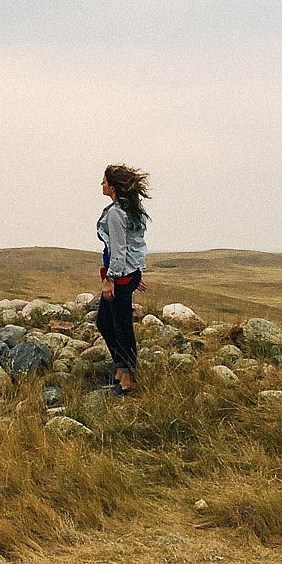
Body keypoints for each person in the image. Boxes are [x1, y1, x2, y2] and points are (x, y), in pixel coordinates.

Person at [96, 163, 149, 394]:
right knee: (106, 322)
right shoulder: (131, 208)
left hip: (121, 277)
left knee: (122, 326)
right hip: (129, 274)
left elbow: (119, 249)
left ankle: (127, 379)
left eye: (105, 181)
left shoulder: (117, 213)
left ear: (114, 186)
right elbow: (136, 245)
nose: (102, 184)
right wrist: (136, 272)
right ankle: (120, 369)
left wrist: (111, 279)